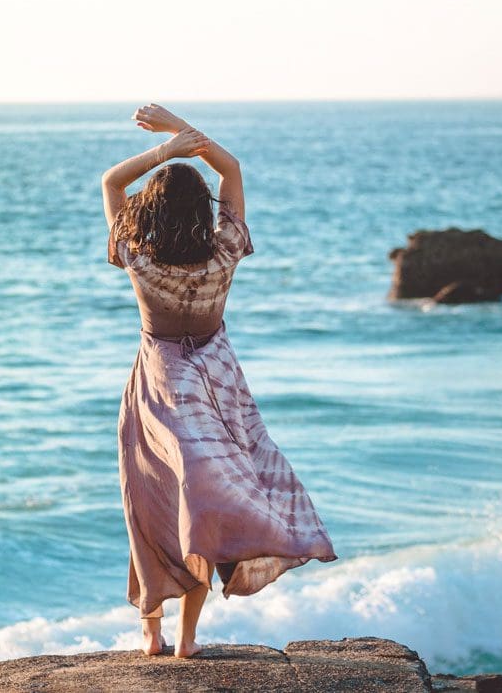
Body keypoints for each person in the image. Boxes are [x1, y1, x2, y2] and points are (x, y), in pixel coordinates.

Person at [101, 104, 338, 659]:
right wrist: (182, 130)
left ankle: (152, 631)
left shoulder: (138, 255)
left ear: (151, 211)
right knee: (203, 510)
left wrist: (166, 149)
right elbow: (231, 170)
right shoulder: (225, 249)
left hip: (161, 386)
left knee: (152, 503)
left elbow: (111, 181)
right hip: (220, 385)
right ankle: (186, 638)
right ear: (201, 210)